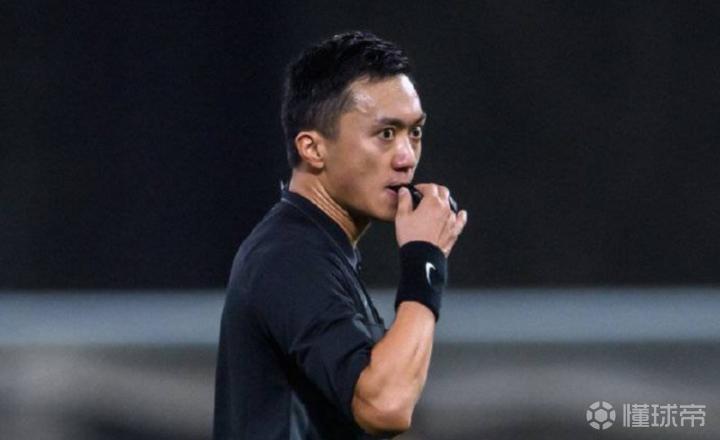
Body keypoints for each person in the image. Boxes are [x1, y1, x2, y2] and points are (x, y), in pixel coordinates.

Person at [213, 31, 467, 439]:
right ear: (313, 149)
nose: (406, 157)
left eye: (415, 132)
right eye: (386, 134)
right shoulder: (289, 256)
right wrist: (425, 261)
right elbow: (386, 405)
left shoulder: (315, 249)